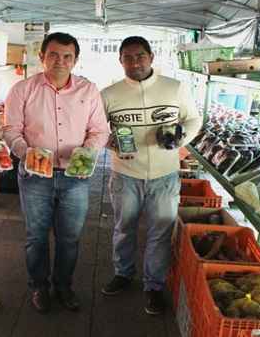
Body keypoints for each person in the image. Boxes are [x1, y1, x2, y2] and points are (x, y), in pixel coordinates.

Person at [3, 32, 110, 313]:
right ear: (42, 57)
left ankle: (64, 286)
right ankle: (39, 286)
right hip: (36, 175)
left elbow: (100, 130)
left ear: (75, 60)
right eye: (53, 55)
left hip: (75, 177)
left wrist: (87, 151)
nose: (60, 61)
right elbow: (10, 129)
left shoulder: (88, 90)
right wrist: (25, 152)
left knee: (70, 237)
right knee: (36, 235)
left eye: (67, 56)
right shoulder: (22, 89)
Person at [100, 36, 201, 315]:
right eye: (128, 57)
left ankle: (153, 286)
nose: (135, 62)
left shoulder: (174, 88)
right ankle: (123, 273)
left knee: (160, 231)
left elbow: (194, 119)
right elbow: (96, 128)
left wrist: (180, 140)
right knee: (124, 227)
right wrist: (108, 141)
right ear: (120, 60)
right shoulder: (109, 94)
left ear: (151, 57)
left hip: (165, 174)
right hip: (125, 174)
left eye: (140, 56)